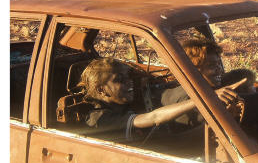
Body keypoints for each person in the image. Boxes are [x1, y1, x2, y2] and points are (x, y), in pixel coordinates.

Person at [78, 57, 243, 141]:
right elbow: (154, 117)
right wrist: (206, 99)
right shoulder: (100, 118)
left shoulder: (121, 104)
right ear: (101, 89)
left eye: (129, 77)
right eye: (120, 80)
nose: (129, 82)